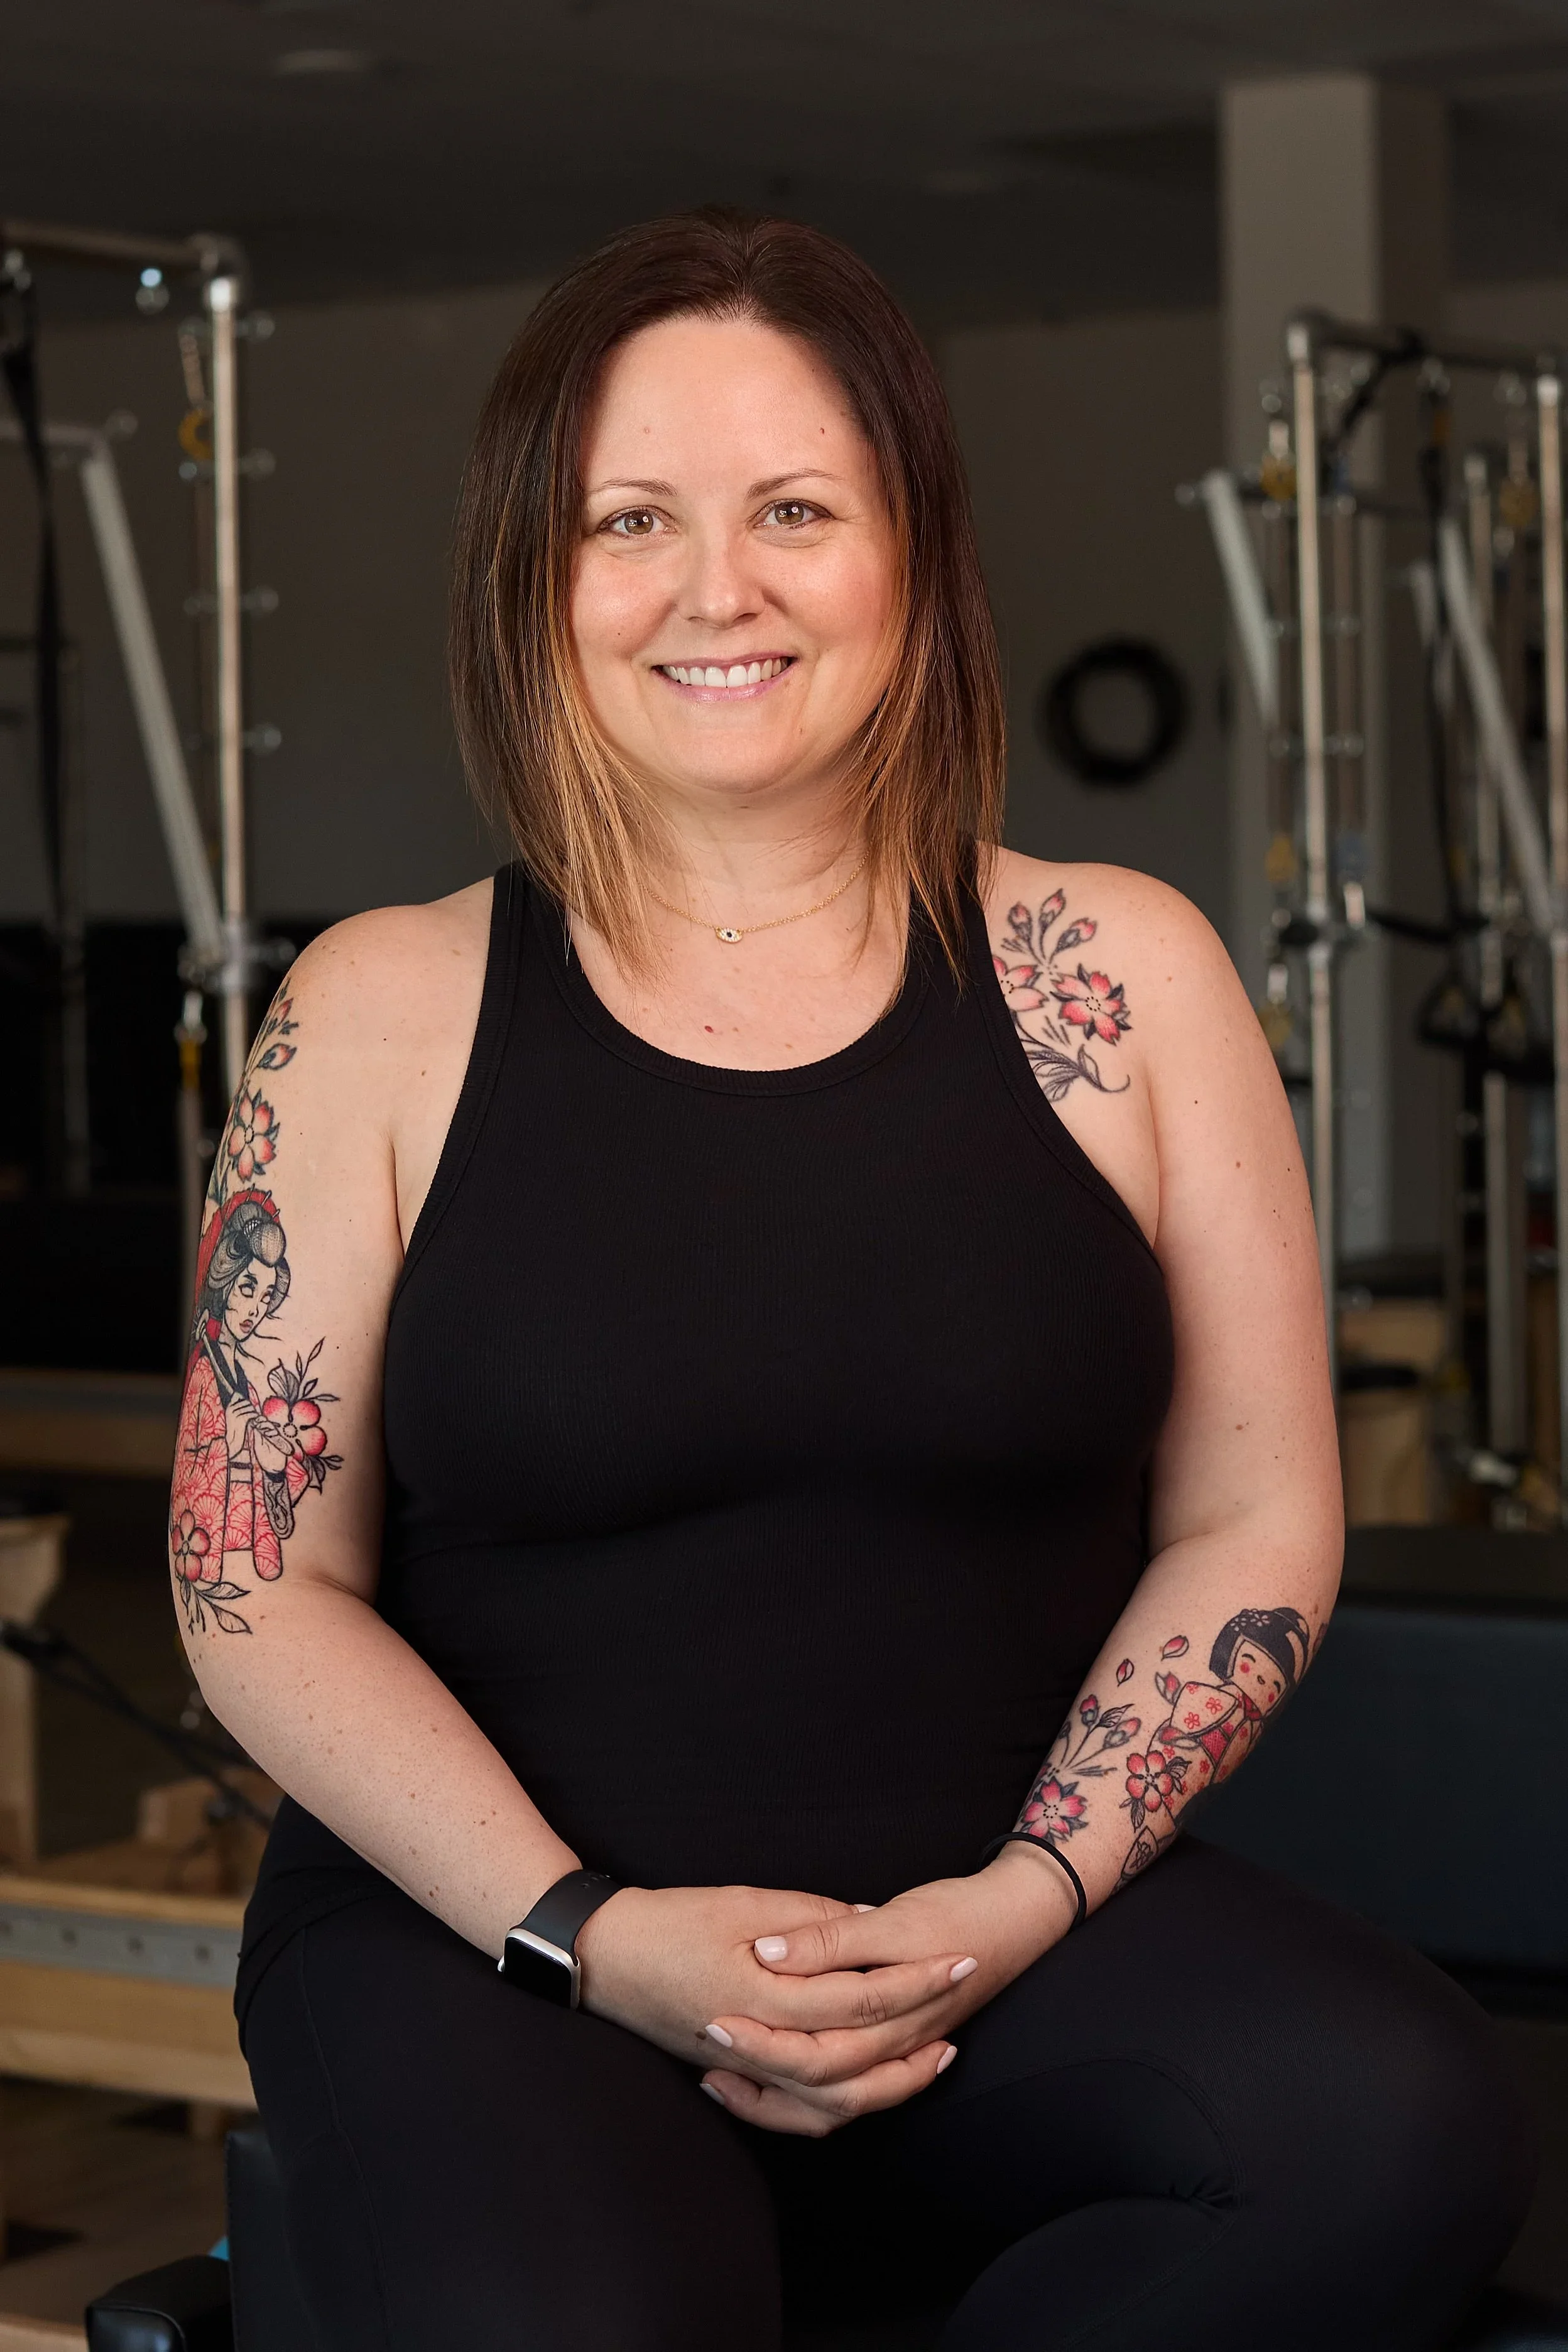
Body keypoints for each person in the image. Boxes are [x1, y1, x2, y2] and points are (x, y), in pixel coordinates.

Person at [171, 209, 1533, 2350]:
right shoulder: (377, 1009)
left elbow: (1255, 1516)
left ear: (917, 555)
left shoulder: (1124, 978)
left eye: (795, 509)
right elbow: (251, 1579)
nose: (718, 587)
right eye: (633, 519)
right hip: (499, 1943)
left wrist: (1020, 1902)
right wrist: (595, 1932)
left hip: (997, 1922)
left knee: (1393, 2127)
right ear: (537, 576)